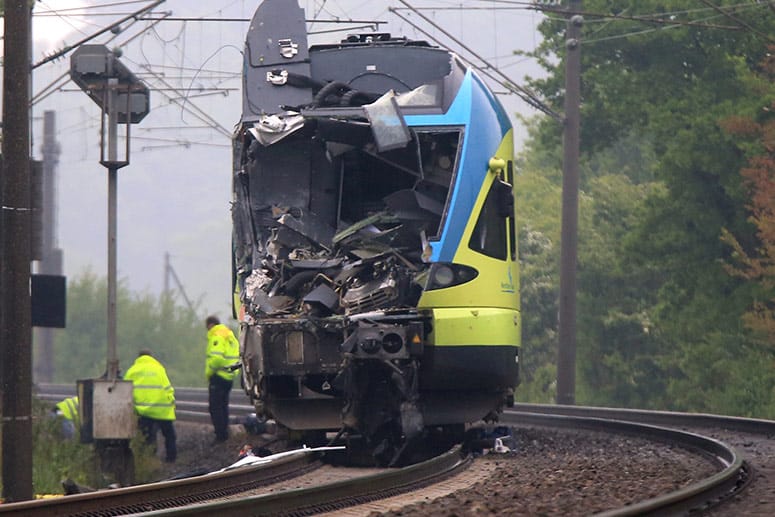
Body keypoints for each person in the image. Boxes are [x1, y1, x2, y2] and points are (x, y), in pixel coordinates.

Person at [124, 349, 177, 462]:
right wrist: (171, 402)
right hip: (162, 409)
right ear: (151, 357)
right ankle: (171, 458)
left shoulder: (132, 371)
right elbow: (168, 388)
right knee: (169, 434)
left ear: (138, 358)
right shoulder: (159, 369)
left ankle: (149, 459)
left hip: (144, 410)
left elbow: (125, 391)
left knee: (147, 437)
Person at [205, 315, 240, 443]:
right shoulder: (230, 335)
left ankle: (220, 435)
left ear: (210, 325)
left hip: (218, 376)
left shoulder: (217, 336)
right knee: (223, 406)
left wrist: (210, 372)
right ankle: (224, 433)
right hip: (229, 376)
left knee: (215, 407)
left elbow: (216, 359)